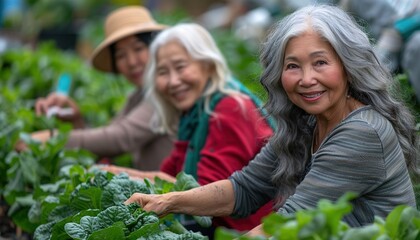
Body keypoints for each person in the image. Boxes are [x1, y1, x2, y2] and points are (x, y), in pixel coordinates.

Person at [123, 4, 419, 238]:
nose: (306, 79)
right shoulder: (306, 125)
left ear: (348, 67)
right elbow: (245, 188)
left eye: (320, 63)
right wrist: (169, 201)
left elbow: (287, 223)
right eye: (293, 66)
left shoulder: (361, 132)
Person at [100, 23, 275, 238]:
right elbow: (171, 175)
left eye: (181, 67)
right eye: (163, 72)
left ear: (208, 65)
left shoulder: (230, 108)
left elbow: (204, 191)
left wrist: (123, 175)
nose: (173, 81)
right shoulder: (193, 114)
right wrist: (116, 174)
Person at [29, 6, 174, 170]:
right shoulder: (137, 97)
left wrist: (50, 139)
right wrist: (76, 120)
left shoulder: (165, 92)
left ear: (155, 48)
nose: (132, 62)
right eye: (121, 55)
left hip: (170, 194)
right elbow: (107, 140)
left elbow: (119, 138)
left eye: (138, 48)